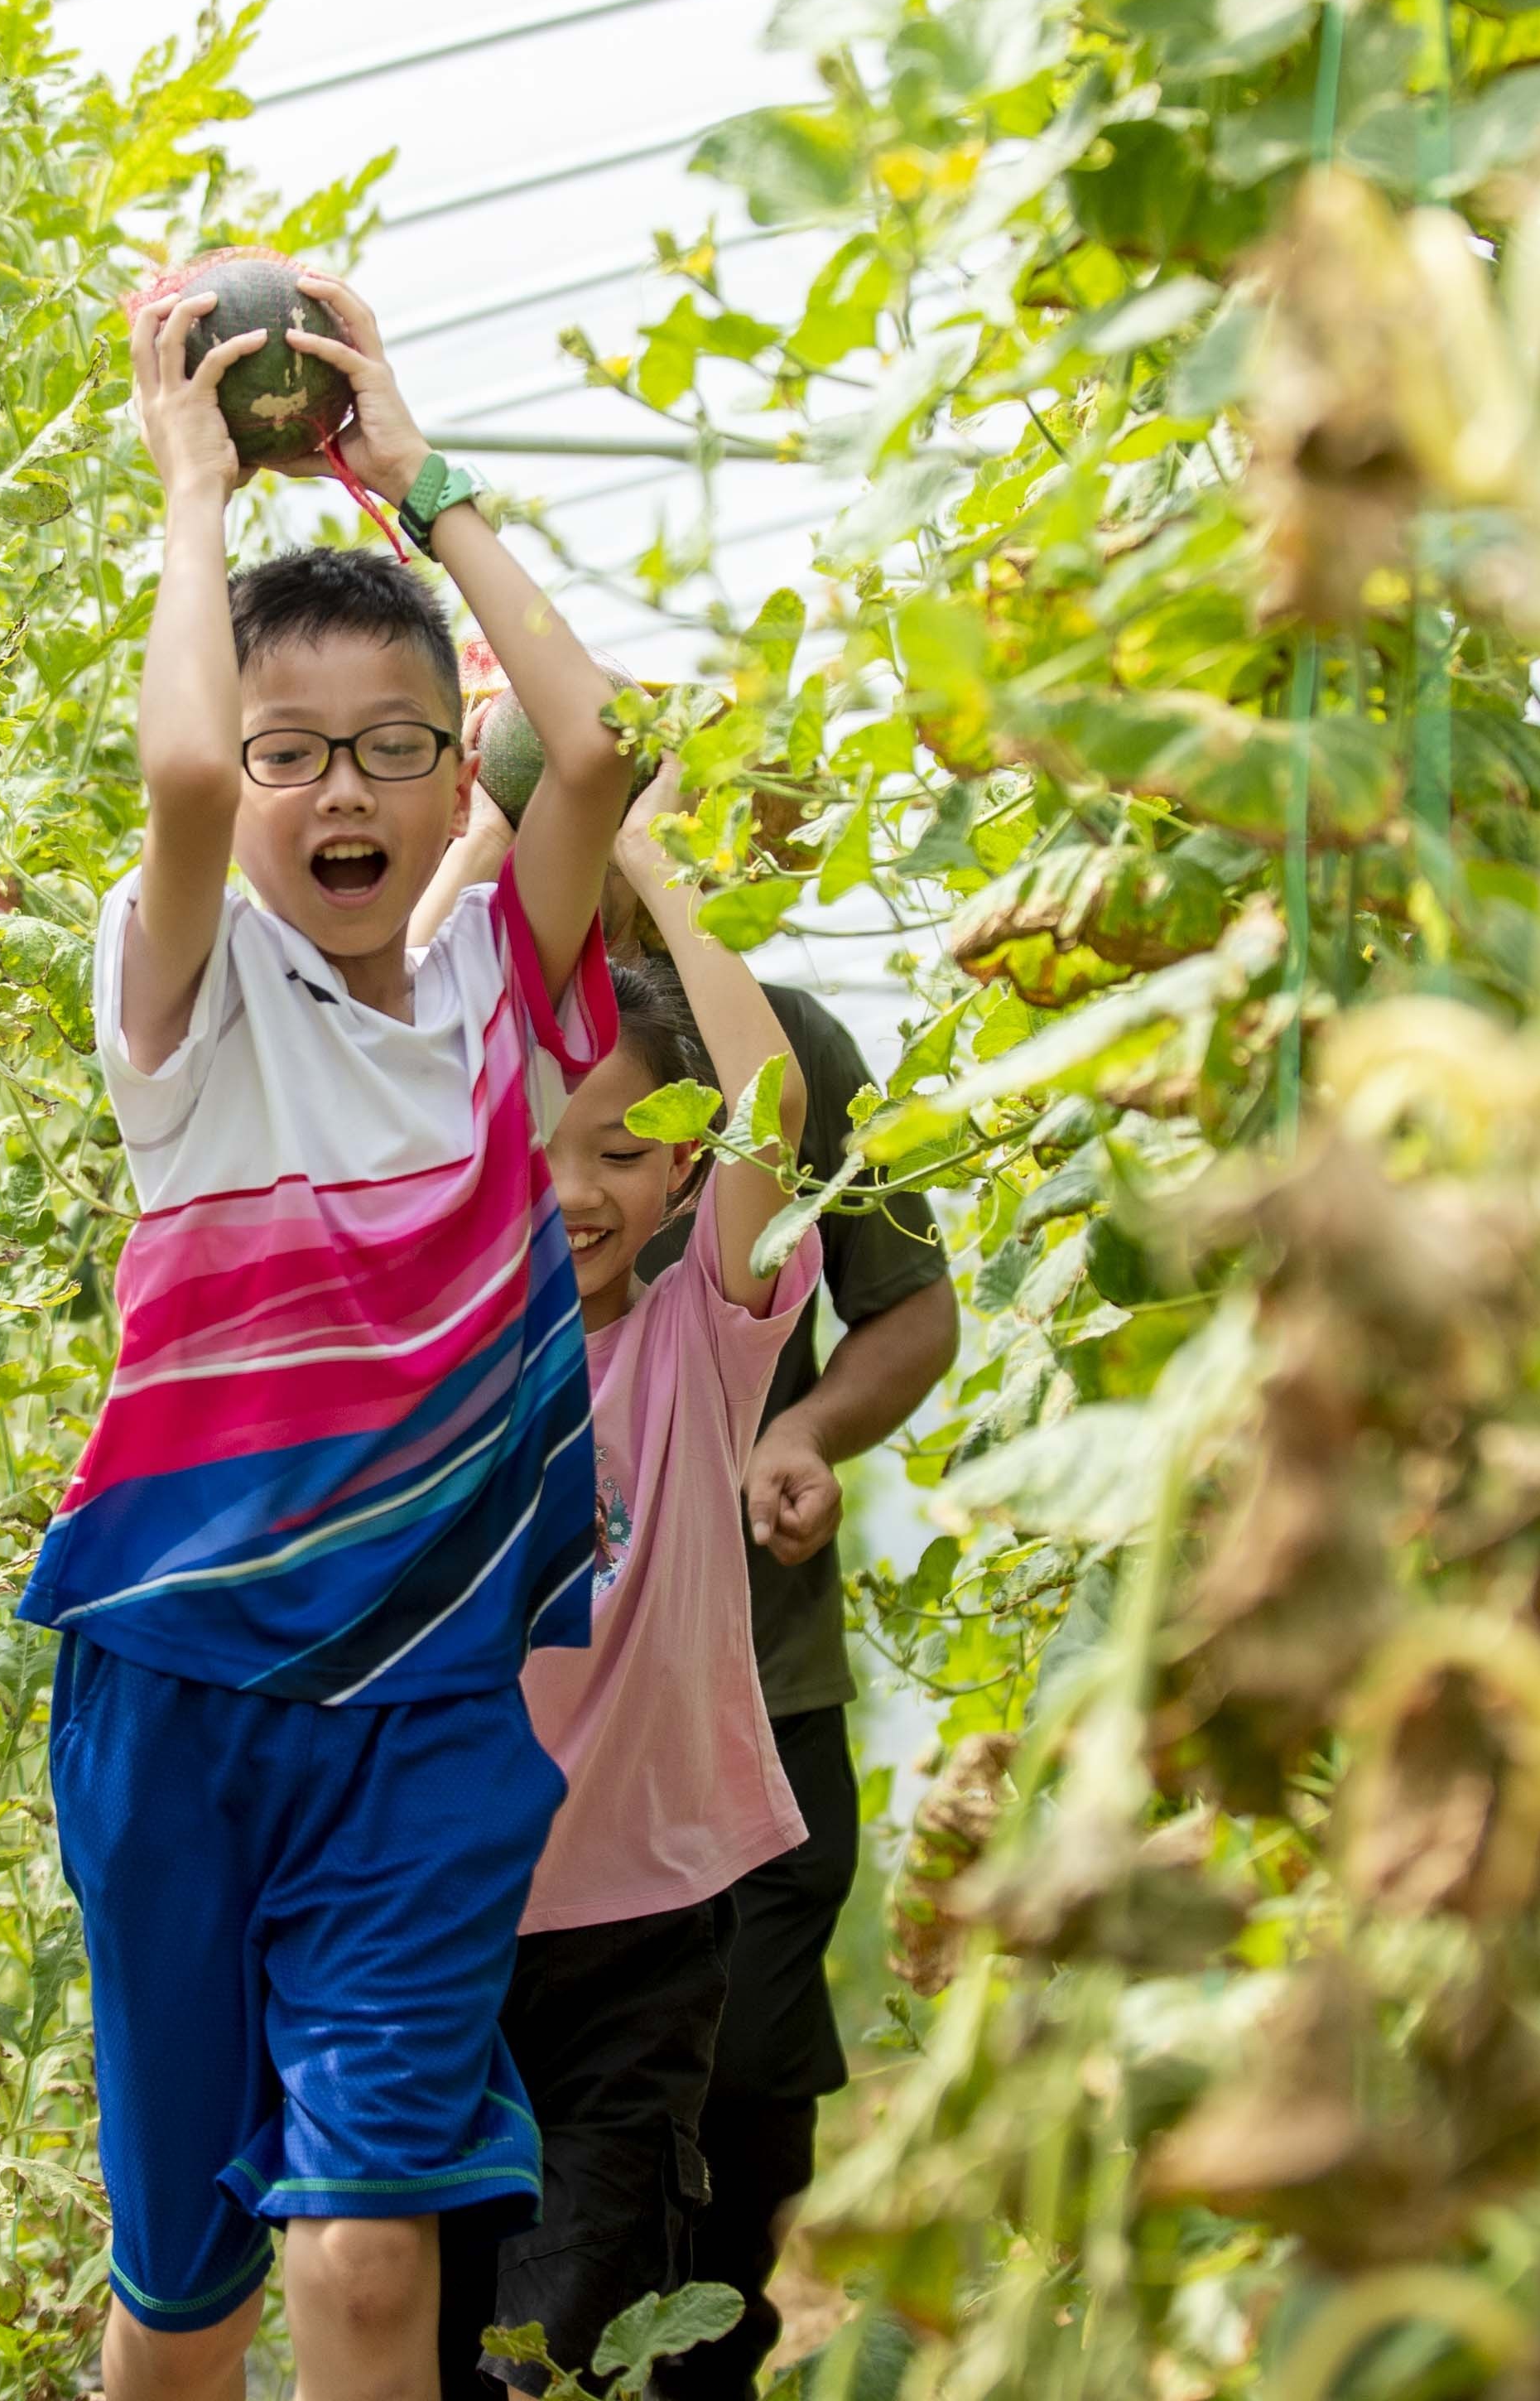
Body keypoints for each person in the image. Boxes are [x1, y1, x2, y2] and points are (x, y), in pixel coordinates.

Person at [26, 268, 638, 2401]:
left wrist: (413, 477)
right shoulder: (184, 998)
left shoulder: (489, 974)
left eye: (394, 751)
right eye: (304, 757)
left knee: (370, 2265)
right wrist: (193, 487)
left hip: (427, 1710)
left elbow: (599, 746)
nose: (338, 792)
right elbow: (184, 770)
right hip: (179, 1693)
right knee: (183, 2295)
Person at [409, 801, 959, 2401]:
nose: (572, 1191)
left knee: (577, 2323)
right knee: (430, 2306)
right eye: (527, 1154)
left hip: (646, 1917)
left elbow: (771, 1119)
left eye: (623, 1154)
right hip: (453, 1910)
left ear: (681, 1168)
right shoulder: (437, 1340)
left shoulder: (689, 1342)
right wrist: (474, 840)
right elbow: (385, 1061)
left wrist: (656, 862)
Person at [643, 984, 954, 2401]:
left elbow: (913, 1313)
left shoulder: (786, 1046)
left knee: (749, 2099)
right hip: (528, 1712)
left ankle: (713, 2371)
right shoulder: (440, 1006)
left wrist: (812, 1431)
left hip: (759, 1690)